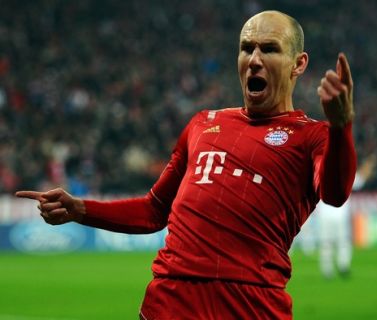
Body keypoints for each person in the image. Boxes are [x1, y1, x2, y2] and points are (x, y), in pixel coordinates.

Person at [16, 10, 356, 320]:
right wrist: (80, 209)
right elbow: (154, 210)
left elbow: (335, 193)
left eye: (269, 49)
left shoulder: (313, 136)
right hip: (171, 302)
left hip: (252, 306)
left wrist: (341, 128)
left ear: (298, 64)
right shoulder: (202, 124)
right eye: (246, 48)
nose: (253, 59)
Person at [316, 155, 375, 279]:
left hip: (325, 215)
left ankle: (327, 271)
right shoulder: (344, 174)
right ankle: (343, 266)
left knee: (326, 243)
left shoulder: (319, 174)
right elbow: (360, 179)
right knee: (343, 242)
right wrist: (369, 165)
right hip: (340, 214)